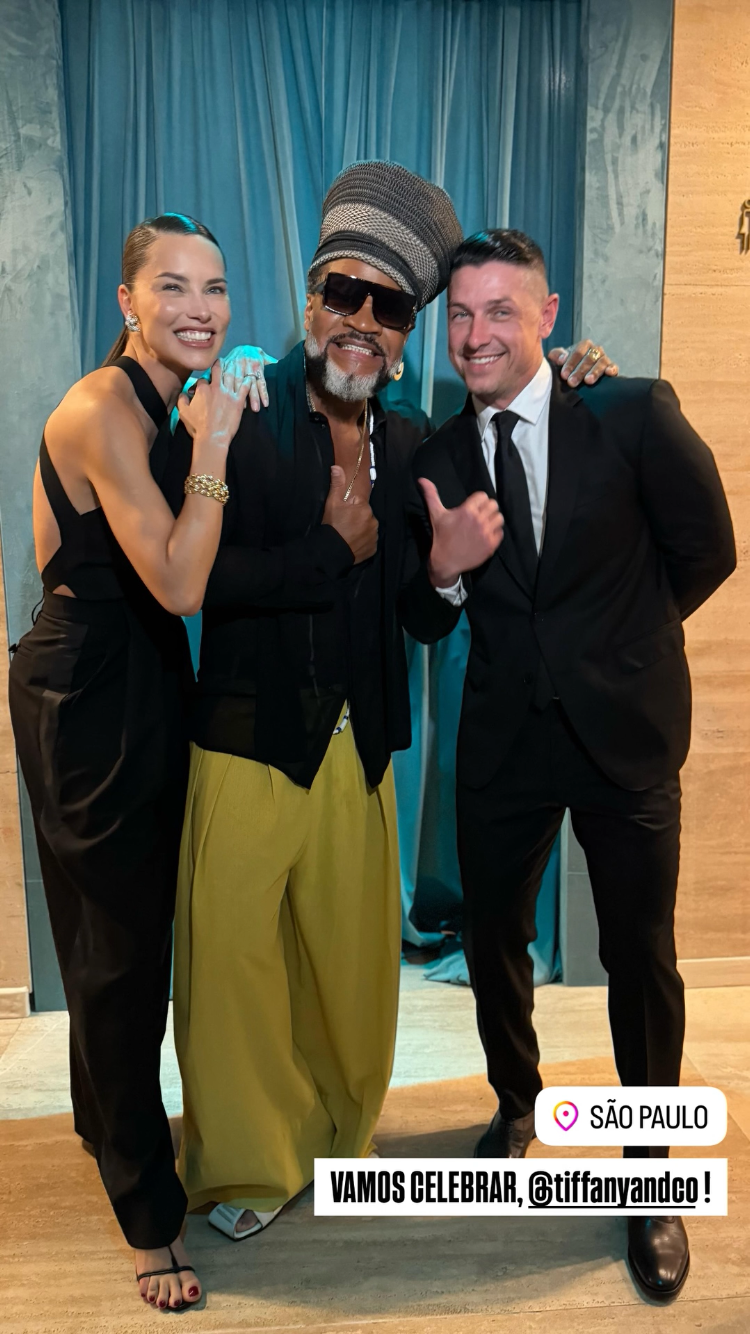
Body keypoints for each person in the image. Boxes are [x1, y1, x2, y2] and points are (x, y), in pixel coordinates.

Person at [162, 164, 617, 1244]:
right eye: (344, 293)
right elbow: (201, 580)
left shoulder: (411, 441)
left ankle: (331, 1134)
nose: (361, 322)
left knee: (350, 970)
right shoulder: (238, 407)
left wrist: (445, 570)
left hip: (361, 748)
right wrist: (331, 549)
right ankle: (247, 1161)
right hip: (246, 740)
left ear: (409, 331)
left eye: (390, 306)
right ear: (310, 297)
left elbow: (417, 616)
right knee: (231, 971)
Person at [400, 228, 736, 1303]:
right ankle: (516, 1099)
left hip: (626, 732)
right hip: (504, 742)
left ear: (548, 317)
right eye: (461, 314)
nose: (476, 333)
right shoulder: (435, 458)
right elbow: (420, 613)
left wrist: (623, 645)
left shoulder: (630, 411)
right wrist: (444, 570)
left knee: (642, 956)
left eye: (501, 310)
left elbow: (709, 548)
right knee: (491, 934)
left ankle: (650, 1177)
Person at [8, 212, 262, 1313]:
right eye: (173, 287)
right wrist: (213, 450)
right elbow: (180, 581)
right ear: (128, 301)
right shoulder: (105, 408)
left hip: (136, 671)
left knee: (111, 934)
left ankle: (99, 1123)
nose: (199, 309)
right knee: (119, 955)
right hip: (92, 682)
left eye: (214, 287)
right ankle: (150, 1219)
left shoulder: (161, 399)